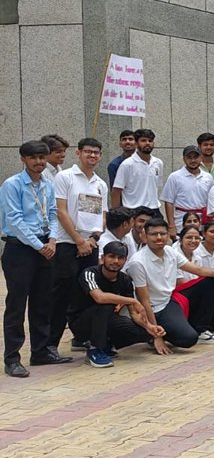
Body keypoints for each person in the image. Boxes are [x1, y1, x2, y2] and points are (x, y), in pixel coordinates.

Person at [2, 140, 69, 376]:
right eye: (33, 158)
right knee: (17, 304)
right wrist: (40, 245)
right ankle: (12, 358)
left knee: (43, 302)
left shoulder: (47, 185)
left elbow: (52, 214)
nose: (39, 162)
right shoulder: (12, 185)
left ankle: (40, 352)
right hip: (20, 250)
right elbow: (14, 221)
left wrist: (52, 240)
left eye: (42, 157)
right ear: (23, 159)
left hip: (45, 247)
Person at [127, 218, 214, 348]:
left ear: (168, 235)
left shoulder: (169, 251)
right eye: (154, 234)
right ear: (145, 236)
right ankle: (151, 334)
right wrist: (156, 335)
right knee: (188, 339)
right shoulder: (137, 262)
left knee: (211, 281)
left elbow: (197, 270)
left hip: (172, 299)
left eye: (162, 233)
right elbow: (144, 300)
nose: (159, 237)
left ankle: (200, 329)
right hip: (156, 308)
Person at [48, 137, 108, 354]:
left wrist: (93, 239)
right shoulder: (65, 177)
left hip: (90, 245)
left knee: (86, 293)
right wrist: (78, 240)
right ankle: (49, 345)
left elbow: (102, 216)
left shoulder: (100, 183)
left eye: (96, 152)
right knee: (61, 295)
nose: (92, 155)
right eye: (88, 151)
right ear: (78, 153)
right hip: (67, 244)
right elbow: (60, 211)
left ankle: (81, 337)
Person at [72, 242, 169, 368]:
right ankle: (95, 349)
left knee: (144, 332)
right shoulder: (90, 273)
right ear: (103, 258)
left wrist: (150, 327)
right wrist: (133, 301)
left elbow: (134, 314)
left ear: (125, 260)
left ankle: (106, 344)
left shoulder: (125, 280)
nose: (115, 261)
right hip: (81, 323)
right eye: (111, 256)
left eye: (120, 258)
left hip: (107, 320)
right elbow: (100, 297)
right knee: (105, 306)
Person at [161, 145, 213, 237]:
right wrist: (171, 225)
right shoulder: (175, 177)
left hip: (202, 222)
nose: (193, 160)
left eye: (196, 157)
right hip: (180, 221)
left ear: (201, 158)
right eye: (189, 157)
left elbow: (212, 200)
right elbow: (169, 201)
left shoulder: (208, 177)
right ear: (184, 159)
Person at [110, 128, 163, 211]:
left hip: (154, 209)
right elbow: (116, 192)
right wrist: (117, 214)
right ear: (136, 144)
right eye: (143, 140)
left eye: (150, 141)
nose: (147, 143)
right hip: (133, 210)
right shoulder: (126, 164)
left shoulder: (158, 163)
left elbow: (156, 187)